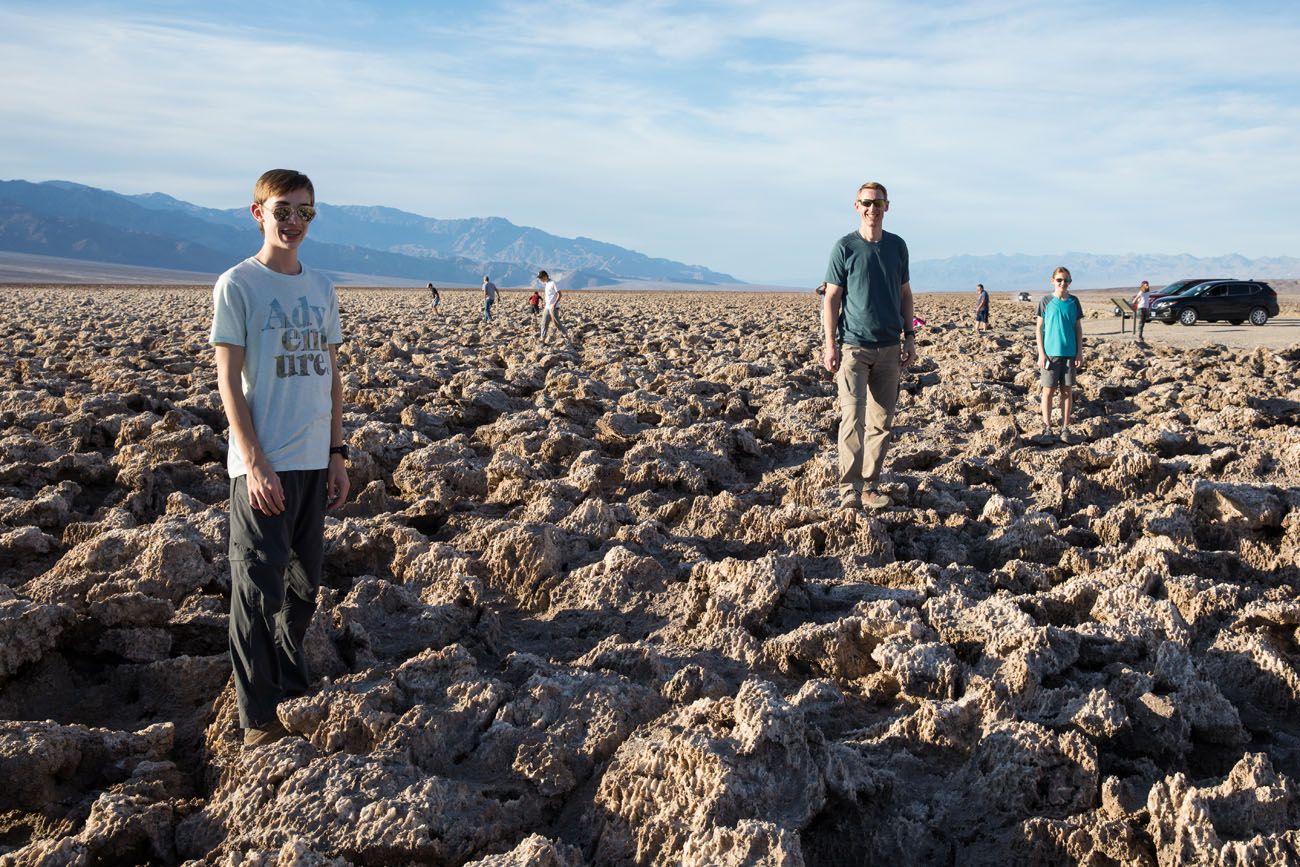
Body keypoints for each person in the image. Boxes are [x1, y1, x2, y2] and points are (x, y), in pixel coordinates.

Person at [210, 169, 349, 747]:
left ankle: (291, 687)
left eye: (305, 212)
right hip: (264, 466)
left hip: (315, 463)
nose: (294, 222)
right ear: (257, 212)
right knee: (255, 589)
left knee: (304, 587)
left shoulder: (320, 287)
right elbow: (226, 381)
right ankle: (257, 718)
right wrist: (254, 460)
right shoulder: (238, 284)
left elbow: (333, 376)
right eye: (283, 210)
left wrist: (338, 452)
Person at [822, 181, 917, 511]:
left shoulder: (897, 247)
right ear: (856, 206)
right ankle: (850, 488)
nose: (872, 209)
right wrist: (830, 344)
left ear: (887, 207)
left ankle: (870, 486)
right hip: (853, 348)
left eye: (878, 203)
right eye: (866, 203)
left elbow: (905, 294)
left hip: (890, 348)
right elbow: (832, 298)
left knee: (881, 422)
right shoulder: (845, 247)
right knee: (852, 418)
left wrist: (910, 336)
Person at [1036, 266, 1085, 442]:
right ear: (1053, 281)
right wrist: (1041, 354)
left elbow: (1078, 328)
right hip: (1050, 355)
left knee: (1067, 392)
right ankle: (1047, 427)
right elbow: (1039, 329)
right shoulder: (1046, 301)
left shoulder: (1074, 302)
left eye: (1066, 280)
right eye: (1060, 280)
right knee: (1048, 391)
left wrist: (1079, 352)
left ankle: (1065, 428)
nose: (1063, 283)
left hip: (1069, 354)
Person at [537, 270, 573, 346]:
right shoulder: (546, 284)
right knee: (544, 322)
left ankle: (566, 337)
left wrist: (554, 304)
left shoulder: (553, 283)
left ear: (545, 276)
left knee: (556, 323)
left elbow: (559, 294)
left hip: (553, 307)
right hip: (547, 307)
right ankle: (542, 339)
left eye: (541, 278)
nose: (540, 280)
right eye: (540, 278)